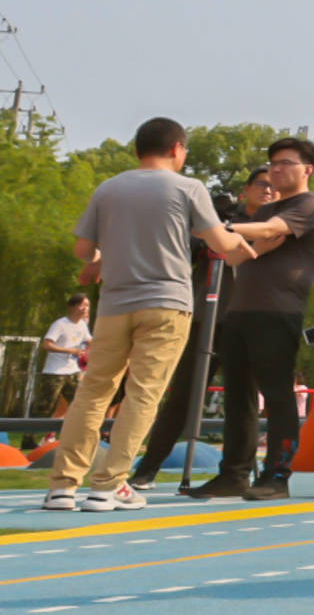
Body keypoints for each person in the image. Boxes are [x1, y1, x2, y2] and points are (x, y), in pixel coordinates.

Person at [44, 118, 256, 513]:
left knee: (93, 393)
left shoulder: (109, 188)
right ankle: (109, 485)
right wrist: (242, 241)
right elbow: (220, 242)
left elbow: (83, 249)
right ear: (177, 148)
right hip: (166, 303)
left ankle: (62, 486)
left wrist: (98, 261)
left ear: (139, 148)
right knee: (144, 394)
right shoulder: (188, 187)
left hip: (113, 305)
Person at [196, 138, 314, 501]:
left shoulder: (311, 206)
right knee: (238, 397)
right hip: (239, 310)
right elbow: (236, 259)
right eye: (273, 164)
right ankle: (234, 474)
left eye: (286, 163)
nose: (276, 170)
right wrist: (222, 232)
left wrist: (227, 229)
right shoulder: (261, 215)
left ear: (308, 169)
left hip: (278, 312)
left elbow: (271, 231)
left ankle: (276, 475)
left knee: (277, 395)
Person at [131, 167, 273, 490]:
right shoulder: (216, 217)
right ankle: (147, 469)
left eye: (274, 187)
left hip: (251, 322)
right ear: (246, 189)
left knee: (245, 400)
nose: (268, 191)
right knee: (184, 394)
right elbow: (188, 253)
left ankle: (238, 471)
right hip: (206, 318)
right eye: (262, 184)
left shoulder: (279, 223)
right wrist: (212, 228)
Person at [36, 295, 92, 419]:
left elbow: (89, 341)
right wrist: (70, 350)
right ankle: (29, 436)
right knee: (45, 408)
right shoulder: (60, 324)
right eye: (82, 305)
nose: (86, 309)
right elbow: (46, 345)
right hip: (55, 373)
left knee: (79, 404)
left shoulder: (82, 325)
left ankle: (75, 436)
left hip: (73, 372)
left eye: (87, 305)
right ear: (72, 307)